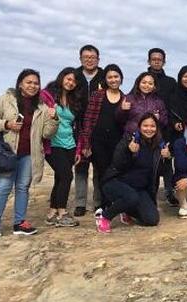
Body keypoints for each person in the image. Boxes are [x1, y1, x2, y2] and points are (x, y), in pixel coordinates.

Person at [0, 69, 59, 242]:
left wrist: (54, 119)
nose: (33, 86)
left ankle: (19, 223)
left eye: (36, 83)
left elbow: (47, 134)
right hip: (7, 153)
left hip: (29, 154)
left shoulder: (42, 107)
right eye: (29, 82)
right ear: (20, 84)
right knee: (3, 188)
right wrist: (7, 124)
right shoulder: (6, 99)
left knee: (22, 188)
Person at [95, 113, 170, 233]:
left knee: (152, 219)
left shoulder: (159, 146)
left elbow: (161, 172)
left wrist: (167, 158)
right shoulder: (129, 140)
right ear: (139, 126)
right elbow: (117, 163)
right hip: (116, 182)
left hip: (139, 189)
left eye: (152, 126)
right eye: (145, 125)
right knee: (131, 197)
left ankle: (127, 210)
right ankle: (104, 216)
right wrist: (128, 151)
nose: (149, 129)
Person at [77, 64, 126, 215]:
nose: (113, 80)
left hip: (117, 142)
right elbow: (88, 120)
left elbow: (125, 122)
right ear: (105, 79)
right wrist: (86, 143)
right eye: (110, 77)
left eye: (116, 76)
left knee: (115, 172)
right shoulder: (98, 95)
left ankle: (113, 202)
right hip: (98, 141)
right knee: (101, 173)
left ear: (121, 78)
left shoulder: (125, 98)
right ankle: (103, 205)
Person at [40, 67, 82, 227]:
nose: (71, 83)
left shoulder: (74, 100)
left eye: (74, 81)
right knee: (66, 176)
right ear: (62, 77)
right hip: (52, 144)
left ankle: (51, 212)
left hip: (69, 144)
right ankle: (62, 212)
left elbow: (75, 126)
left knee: (60, 177)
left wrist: (78, 149)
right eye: (68, 79)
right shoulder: (47, 95)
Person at [73, 44, 105, 217]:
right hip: (78, 127)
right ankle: (80, 203)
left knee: (99, 168)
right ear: (81, 59)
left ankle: (98, 202)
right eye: (86, 57)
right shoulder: (74, 75)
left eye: (93, 57)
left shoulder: (104, 76)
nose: (89, 60)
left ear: (98, 59)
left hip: (99, 128)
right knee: (81, 167)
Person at [146, 48, 179, 207]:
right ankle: (149, 192)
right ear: (149, 61)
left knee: (166, 162)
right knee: (148, 161)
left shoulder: (171, 82)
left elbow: (175, 105)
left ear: (164, 61)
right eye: (153, 59)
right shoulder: (144, 79)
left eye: (159, 59)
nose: (156, 61)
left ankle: (169, 192)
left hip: (166, 127)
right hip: (146, 128)